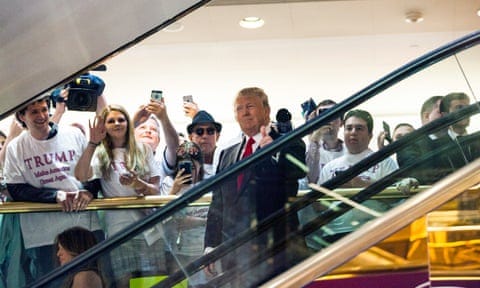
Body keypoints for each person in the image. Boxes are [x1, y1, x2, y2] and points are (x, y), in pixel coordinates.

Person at [204, 87, 307, 287]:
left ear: (266, 110)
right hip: (234, 256)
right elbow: (218, 203)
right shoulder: (228, 154)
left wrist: (270, 154)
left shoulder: (289, 143)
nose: (245, 112)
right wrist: (211, 245)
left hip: (275, 251)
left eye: (250, 106)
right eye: (239, 108)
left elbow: (294, 178)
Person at [3, 96, 102, 283]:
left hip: (83, 225)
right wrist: (54, 196)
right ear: (22, 117)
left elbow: (94, 171)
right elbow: (16, 189)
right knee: (53, 282)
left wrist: (89, 191)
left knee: (91, 280)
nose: (41, 115)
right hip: (43, 234)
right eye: (34, 112)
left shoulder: (73, 134)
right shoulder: (16, 147)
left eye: (43, 109)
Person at [74, 104, 167, 287]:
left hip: (150, 228)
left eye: (121, 119)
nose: (117, 123)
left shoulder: (143, 149)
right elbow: (81, 175)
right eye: (111, 121)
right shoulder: (101, 154)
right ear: (105, 126)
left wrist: (138, 183)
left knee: (154, 281)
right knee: (124, 282)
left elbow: (156, 190)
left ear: (128, 123)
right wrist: (92, 142)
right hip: (119, 230)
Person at [160, 141, 210, 286]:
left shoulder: (209, 182)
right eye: (184, 165)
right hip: (178, 251)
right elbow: (169, 219)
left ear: (200, 165)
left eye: (192, 165)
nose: (189, 170)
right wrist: (174, 191)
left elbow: (217, 215)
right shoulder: (169, 183)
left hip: (203, 249)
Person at [132, 97, 179, 179]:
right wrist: (133, 122)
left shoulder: (162, 165)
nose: (148, 131)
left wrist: (164, 118)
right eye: (142, 127)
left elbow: (174, 147)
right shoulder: (121, 156)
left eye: (153, 129)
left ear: (158, 141)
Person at [304, 99, 345, 184]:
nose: (328, 119)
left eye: (333, 114)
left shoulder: (351, 150)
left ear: (341, 122)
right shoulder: (309, 151)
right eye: (323, 114)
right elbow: (310, 180)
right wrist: (314, 140)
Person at [186, 110, 222, 178]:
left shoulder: (229, 162)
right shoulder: (184, 168)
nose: (205, 136)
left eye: (210, 131)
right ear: (191, 138)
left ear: (217, 136)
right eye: (199, 131)